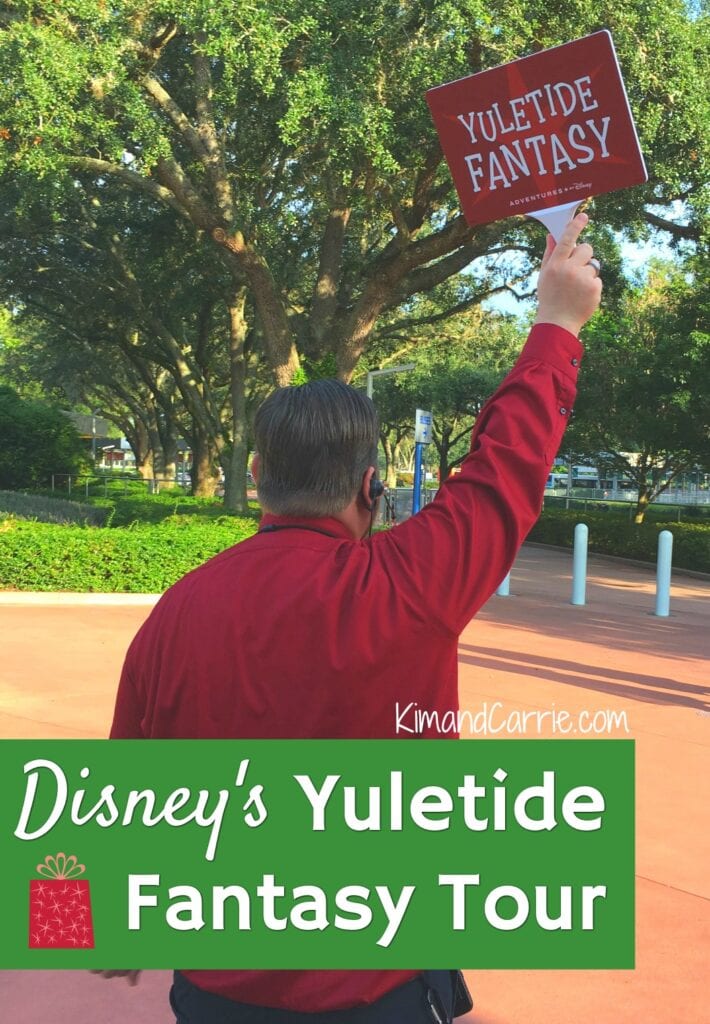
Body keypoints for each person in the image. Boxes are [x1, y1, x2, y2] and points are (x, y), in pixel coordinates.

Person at [103, 213, 602, 1021]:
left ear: (259, 474)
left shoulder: (176, 611)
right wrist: (554, 323)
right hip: (380, 991)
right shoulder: (410, 585)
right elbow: (504, 470)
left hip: (216, 991)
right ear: (372, 485)